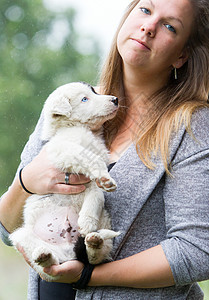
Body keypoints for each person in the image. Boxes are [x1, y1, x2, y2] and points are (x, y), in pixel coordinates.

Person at [0, 0, 209, 299]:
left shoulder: (193, 126)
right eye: (146, 10)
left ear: (181, 55)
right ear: (127, 16)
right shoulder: (70, 104)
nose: (149, 26)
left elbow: (197, 250)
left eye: (169, 26)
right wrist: (26, 181)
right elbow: (8, 229)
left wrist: (89, 275)